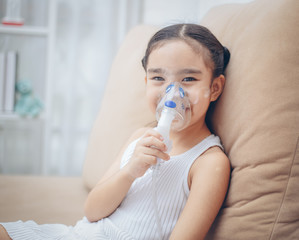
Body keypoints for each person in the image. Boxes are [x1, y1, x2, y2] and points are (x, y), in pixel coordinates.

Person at [0, 23, 231, 240]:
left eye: (188, 78)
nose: (172, 94)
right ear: (146, 81)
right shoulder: (140, 136)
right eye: (158, 78)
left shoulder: (209, 163)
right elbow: (92, 211)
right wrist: (130, 171)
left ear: (214, 88)